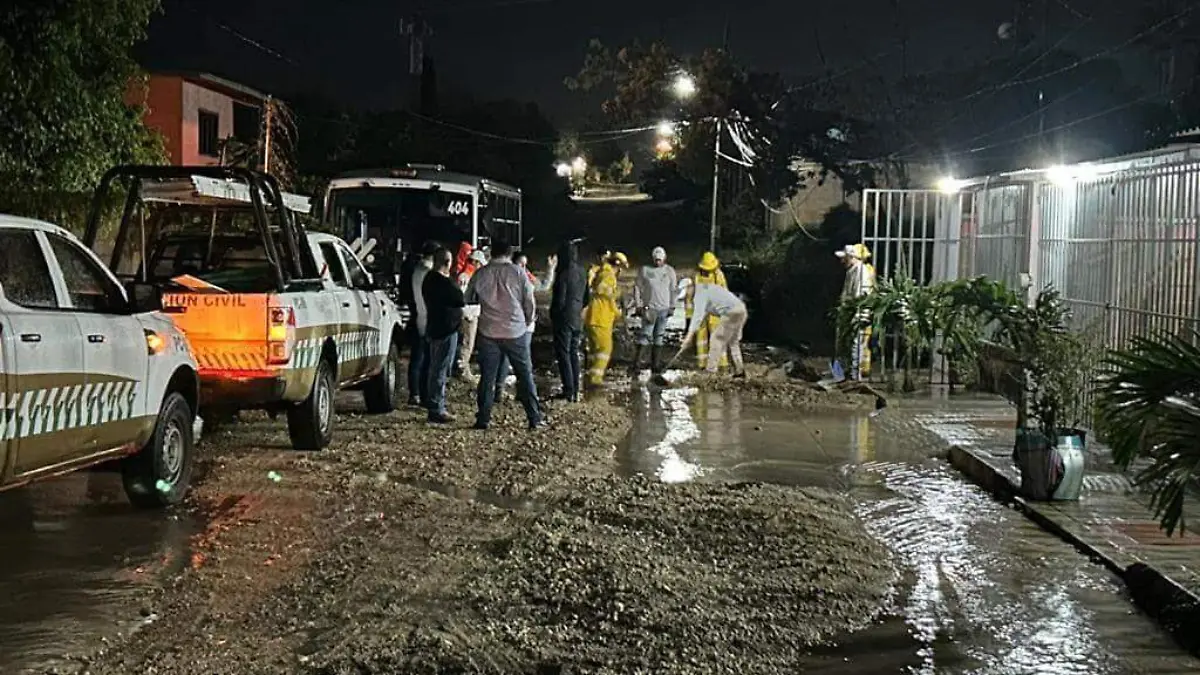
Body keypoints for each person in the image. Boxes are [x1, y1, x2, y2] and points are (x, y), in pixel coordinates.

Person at [464, 240, 545, 430]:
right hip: (515, 331)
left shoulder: (481, 273)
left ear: (492, 253)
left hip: (488, 332)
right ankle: (534, 418)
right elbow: (529, 302)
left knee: (487, 377)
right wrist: (527, 321)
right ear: (509, 254)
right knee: (525, 375)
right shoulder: (518, 273)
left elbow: (468, 298)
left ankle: (483, 419)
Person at [495, 251, 557, 401]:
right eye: (520, 264)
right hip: (512, 324)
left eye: (525, 264)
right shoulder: (507, 279)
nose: (523, 267)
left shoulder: (527, 277)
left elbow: (543, 286)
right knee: (508, 357)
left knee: (523, 357)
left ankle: (522, 391)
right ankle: (500, 389)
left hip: (526, 325)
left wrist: (550, 268)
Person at [422, 248, 465, 423]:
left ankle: (434, 403)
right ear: (448, 262)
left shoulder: (429, 279)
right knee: (440, 369)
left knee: (436, 367)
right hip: (445, 330)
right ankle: (436, 408)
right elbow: (459, 298)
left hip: (435, 327)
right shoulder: (443, 282)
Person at [682, 279, 748, 377]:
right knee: (733, 341)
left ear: (690, 287)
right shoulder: (705, 288)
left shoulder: (699, 295)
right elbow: (702, 315)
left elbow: (697, 317)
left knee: (716, 339)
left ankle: (710, 371)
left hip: (731, 313)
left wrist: (688, 338)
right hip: (741, 310)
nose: (687, 296)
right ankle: (740, 371)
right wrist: (692, 333)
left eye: (686, 292)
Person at [550, 239, 589, 402]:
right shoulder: (582, 271)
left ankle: (568, 389)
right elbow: (587, 297)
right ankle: (575, 389)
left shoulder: (563, 273)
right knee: (573, 352)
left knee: (563, 353)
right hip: (577, 317)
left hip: (564, 317)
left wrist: (553, 314)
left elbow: (560, 300)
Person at [584, 251, 628, 388]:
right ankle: (595, 380)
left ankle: (589, 376)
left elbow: (606, 300)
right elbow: (602, 290)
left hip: (593, 318)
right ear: (618, 266)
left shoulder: (601, 272)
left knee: (594, 351)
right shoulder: (608, 275)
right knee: (604, 350)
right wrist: (617, 294)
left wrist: (617, 312)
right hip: (601, 319)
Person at [632, 246, 677, 375]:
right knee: (645, 335)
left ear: (664, 259)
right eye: (656, 260)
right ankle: (636, 364)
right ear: (652, 259)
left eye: (660, 260)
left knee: (659, 336)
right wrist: (639, 305)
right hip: (650, 309)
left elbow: (673, 290)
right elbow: (637, 287)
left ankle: (655, 365)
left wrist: (672, 306)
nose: (658, 262)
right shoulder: (645, 270)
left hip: (664, 309)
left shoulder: (669, 271)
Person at [836, 243, 876, 381]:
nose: (842, 261)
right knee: (850, 343)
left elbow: (859, 296)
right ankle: (848, 373)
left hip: (858, 312)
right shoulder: (852, 270)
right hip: (850, 312)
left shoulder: (861, 271)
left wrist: (852, 310)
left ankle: (854, 376)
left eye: (845, 258)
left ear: (852, 257)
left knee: (856, 343)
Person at [406, 242, 438, 407]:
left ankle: (415, 393)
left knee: (417, 357)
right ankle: (422, 394)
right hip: (428, 318)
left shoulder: (417, 269)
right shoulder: (429, 272)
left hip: (419, 315)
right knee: (425, 360)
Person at [686, 251, 729, 369]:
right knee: (701, 339)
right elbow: (689, 297)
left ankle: (722, 364)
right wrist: (689, 316)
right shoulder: (696, 277)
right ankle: (702, 363)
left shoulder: (718, 275)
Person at [454, 243, 485, 380]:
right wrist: (468, 314)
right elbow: (463, 297)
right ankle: (462, 370)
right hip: (469, 314)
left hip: (470, 312)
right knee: (467, 343)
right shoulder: (466, 276)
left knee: (467, 342)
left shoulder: (468, 274)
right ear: (476, 262)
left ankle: (462, 367)